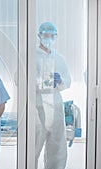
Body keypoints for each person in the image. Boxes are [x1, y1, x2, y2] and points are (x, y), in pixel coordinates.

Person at [35, 22, 71, 169]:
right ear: (39, 36)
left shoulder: (59, 58)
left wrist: (60, 80)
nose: (48, 39)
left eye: (52, 36)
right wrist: (39, 81)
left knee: (57, 147)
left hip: (55, 107)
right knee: (33, 145)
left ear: (56, 37)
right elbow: (19, 78)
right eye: (45, 35)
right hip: (37, 107)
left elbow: (68, 81)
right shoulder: (30, 56)